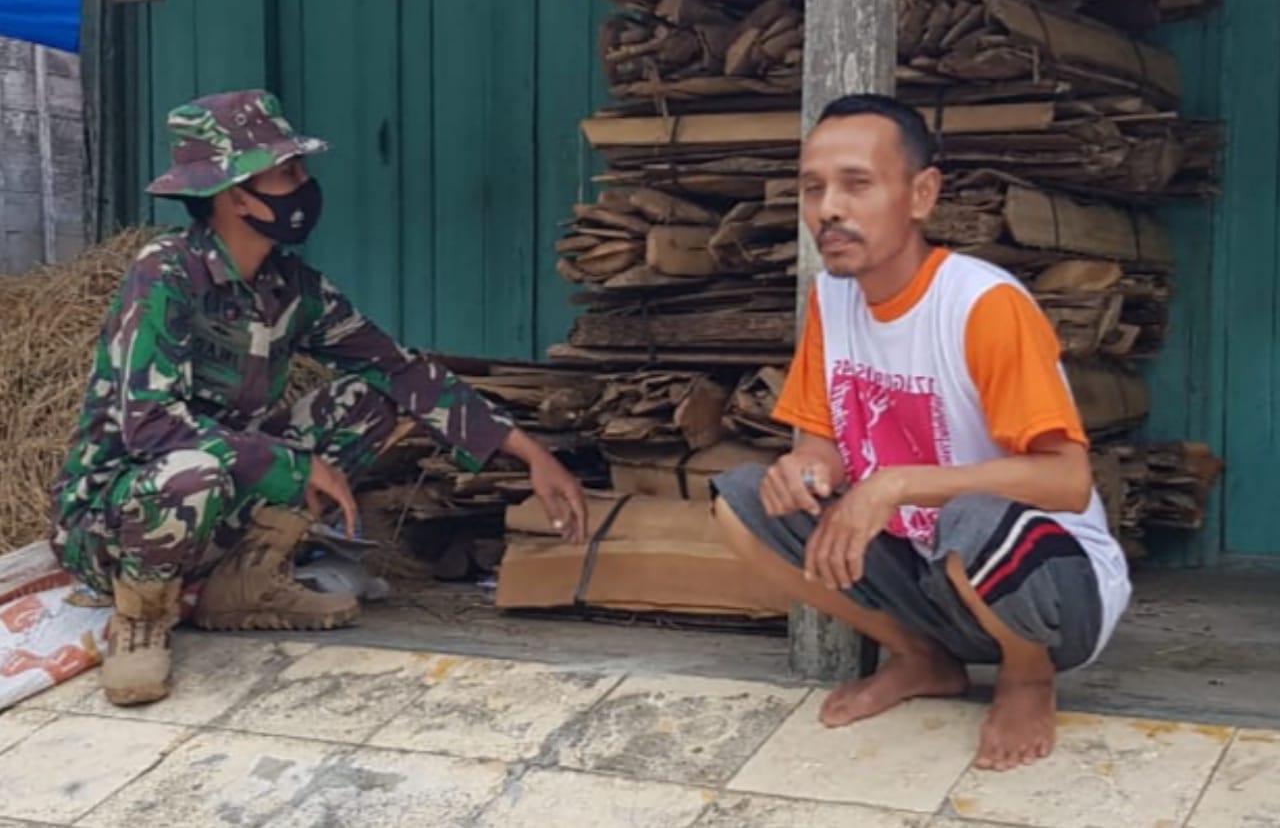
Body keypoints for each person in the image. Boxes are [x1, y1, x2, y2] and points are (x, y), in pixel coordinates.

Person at [51, 89, 587, 708]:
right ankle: (141, 619)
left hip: (224, 494)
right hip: (117, 519)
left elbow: (402, 371)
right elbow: (149, 426)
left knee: (372, 400)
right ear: (235, 194)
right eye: (288, 173)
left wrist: (529, 453)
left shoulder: (291, 287)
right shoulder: (166, 274)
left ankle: (247, 578)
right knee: (191, 470)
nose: (305, 186)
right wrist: (292, 465)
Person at [711, 93, 1131, 772]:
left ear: (921, 193)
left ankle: (1026, 677)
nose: (828, 209)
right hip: (932, 574)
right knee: (742, 500)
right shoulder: (833, 297)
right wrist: (807, 470)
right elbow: (820, 440)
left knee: (969, 516)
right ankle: (921, 657)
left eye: (856, 184)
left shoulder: (981, 305)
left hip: (1051, 590)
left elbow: (1068, 477)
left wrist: (902, 484)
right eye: (812, 188)